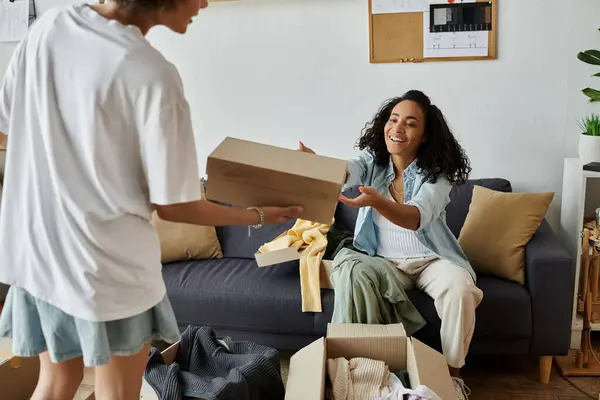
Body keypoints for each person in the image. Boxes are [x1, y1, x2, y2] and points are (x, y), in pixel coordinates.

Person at [0, 1, 302, 399]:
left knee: (55, 383)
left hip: (40, 252)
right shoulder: (151, 73)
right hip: (108, 267)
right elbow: (174, 205)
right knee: (117, 392)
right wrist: (260, 214)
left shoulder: (48, 29)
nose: (204, 3)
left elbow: (9, 132)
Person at [300, 90, 484, 377]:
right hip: (385, 261)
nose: (397, 128)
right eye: (393, 119)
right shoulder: (373, 160)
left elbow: (416, 217)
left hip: (432, 260)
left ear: (424, 135)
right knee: (354, 274)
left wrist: (377, 201)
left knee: (460, 291)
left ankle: (451, 377)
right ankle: (362, 371)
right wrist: (318, 166)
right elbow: (348, 170)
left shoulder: (438, 173)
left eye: (410, 123)